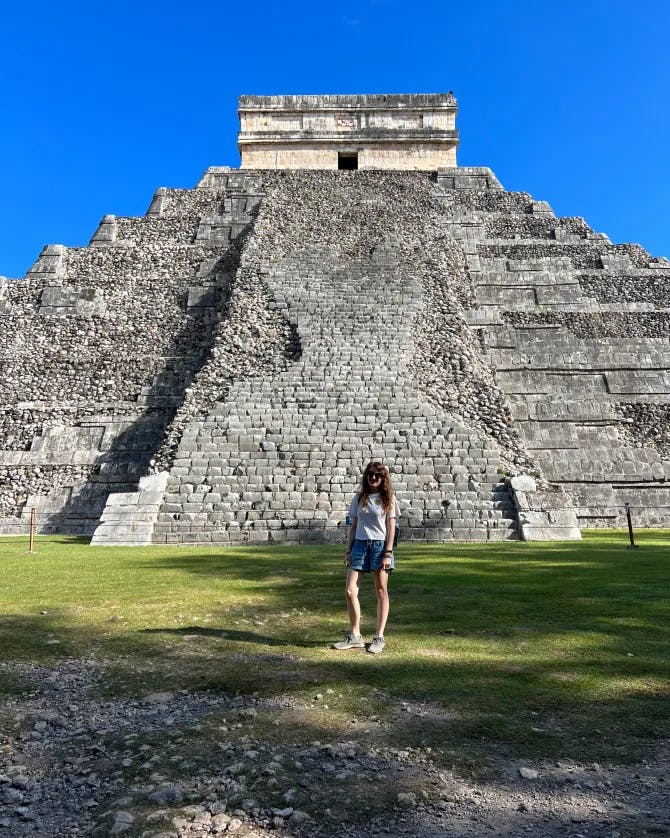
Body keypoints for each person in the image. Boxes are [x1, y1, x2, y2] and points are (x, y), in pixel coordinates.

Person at [332, 462, 400, 654]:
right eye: (370, 474)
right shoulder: (359, 497)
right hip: (360, 546)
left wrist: (388, 552)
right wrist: (348, 550)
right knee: (350, 590)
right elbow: (353, 526)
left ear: (384, 478)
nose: (373, 478)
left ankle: (379, 637)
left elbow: (391, 527)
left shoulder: (389, 499)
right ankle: (355, 636)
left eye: (378, 475)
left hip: (380, 546)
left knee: (380, 590)